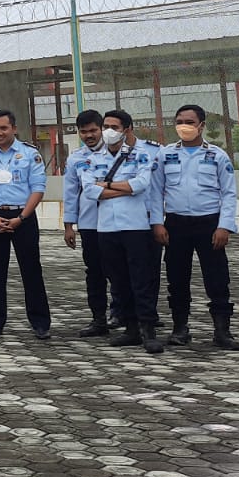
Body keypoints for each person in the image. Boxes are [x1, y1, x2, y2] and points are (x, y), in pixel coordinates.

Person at [156, 104, 239, 349]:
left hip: (209, 224)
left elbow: (229, 194)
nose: (184, 126)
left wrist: (225, 226)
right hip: (175, 224)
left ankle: (222, 331)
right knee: (177, 278)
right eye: (180, 120)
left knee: (217, 278)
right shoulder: (165, 154)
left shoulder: (217, 155)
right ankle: (180, 329)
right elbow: (155, 192)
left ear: (201, 125)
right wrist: (156, 223)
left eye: (190, 122)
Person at [0, 109, 52, 340]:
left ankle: (40, 322)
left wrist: (21, 218)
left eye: (3, 128)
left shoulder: (30, 154)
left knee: (31, 271)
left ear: (14, 129)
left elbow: (38, 188)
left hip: (23, 217)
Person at [95, 110, 164, 353]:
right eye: (106, 126)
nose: (108, 131)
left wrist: (108, 185)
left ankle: (148, 329)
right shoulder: (93, 158)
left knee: (141, 279)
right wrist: (125, 188)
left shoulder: (142, 155)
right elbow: (91, 190)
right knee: (118, 281)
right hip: (106, 227)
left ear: (127, 129)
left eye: (114, 126)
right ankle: (130, 329)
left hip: (135, 226)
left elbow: (142, 184)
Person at [62, 110, 115, 336]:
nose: (89, 135)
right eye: (84, 132)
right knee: (94, 272)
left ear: (102, 128)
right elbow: (71, 192)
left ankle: (124, 315)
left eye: (93, 130)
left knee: (119, 271)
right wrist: (68, 225)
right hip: (90, 223)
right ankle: (99, 319)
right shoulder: (75, 158)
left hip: (116, 222)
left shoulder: (117, 152)